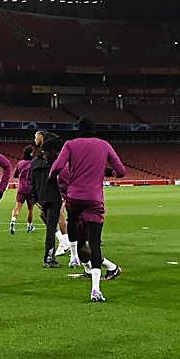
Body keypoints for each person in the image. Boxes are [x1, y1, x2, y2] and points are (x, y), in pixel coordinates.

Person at [49, 117, 126, 302]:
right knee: (95, 242)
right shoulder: (104, 145)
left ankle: (75, 256)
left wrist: (52, 179)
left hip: (74, 198)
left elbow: (56, 168)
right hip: (94, 198)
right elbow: (121, 171)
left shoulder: (70, 144)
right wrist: (107, 172)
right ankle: (95, 289)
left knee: (73, 225)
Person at [34, 130, 72, 257]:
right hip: (51, 193)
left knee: (59, 215)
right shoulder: (42, 157)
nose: (34, 139)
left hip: (58, 193)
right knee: (45, 216)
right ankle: (64, 241)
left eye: (36, 137)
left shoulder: (54, 156)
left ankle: (67, 243)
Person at [30, 135, 63, 267]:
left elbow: (32, 183)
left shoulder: (34, 163)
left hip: (42, 199)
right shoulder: (54, 162)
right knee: (51, 228)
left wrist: (36, 199)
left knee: (50, 227)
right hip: (54, 197)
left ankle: (53, 254)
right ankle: (49, 258)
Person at [9, 146, 37, 235]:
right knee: (30, 210)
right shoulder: (34, 163)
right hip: (30, 189)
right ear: (31, 153)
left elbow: (15, 175)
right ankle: (29, 226)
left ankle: (13, 221)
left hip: (21, 188)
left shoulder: (20, 163)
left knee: (17, 207)